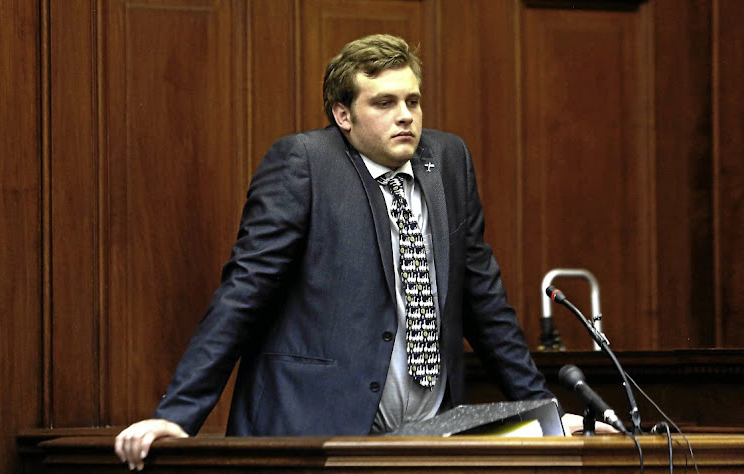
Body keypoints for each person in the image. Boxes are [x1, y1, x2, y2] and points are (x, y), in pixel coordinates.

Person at [115, 33, 604, 471]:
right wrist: (176, 415)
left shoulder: (448, 161)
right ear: (343, 114)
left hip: (431, 436)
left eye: (413, 100)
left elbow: (485, 305)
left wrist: (547, 413)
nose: (406, 115)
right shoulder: (304, 164)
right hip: (319, 434)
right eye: (385, 102)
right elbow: (244, 293)